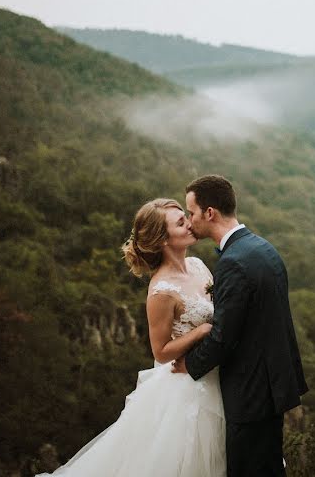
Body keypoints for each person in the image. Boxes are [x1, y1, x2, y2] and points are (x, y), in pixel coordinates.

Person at [37, 198, 226, 476]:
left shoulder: (198, 265)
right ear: (163, 240)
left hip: (215, 372)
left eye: (185, 217)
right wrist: (201, 331)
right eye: (180, 222)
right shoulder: (161, 291)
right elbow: (161, 351)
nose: (189, 223)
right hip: (186, 388)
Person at [172, 174, 307, 477]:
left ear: (210, 213)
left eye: (191, 213)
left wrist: (188, 364)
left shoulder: (233, 262)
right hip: (273, 383)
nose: (190, 221)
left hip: (250, 393)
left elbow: (223, 336)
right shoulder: (263, 248)